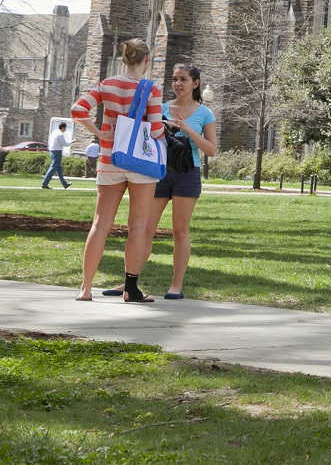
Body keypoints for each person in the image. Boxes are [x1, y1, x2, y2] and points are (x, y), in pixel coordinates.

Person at [104, 63, 216, 300]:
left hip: (188, 172)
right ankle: (129, 283)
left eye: (183, 79)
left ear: (195, 83)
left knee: (180, 231)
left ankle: (176, 285)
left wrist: (188, 130)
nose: (177, 83)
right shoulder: (161, 107)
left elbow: (212, 150)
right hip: (160, 171)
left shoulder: (204, 113)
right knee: (145, 229)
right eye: (175, 79)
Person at [71, 38, 164, 302]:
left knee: (100, 224)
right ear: (147, 60)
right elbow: (155, 129)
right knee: (138, 225)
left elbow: (77, 109)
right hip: (140, 162)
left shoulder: (107, 84)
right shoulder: (151, 89)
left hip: (110, 158)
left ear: (125, 59)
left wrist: (100, 133)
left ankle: (86, 288)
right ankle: (131, 289)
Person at [42, 122, 71, 189]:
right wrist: (72, 142)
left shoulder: (54, 132)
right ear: (63, 127)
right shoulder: (60, 134)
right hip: (57, 151)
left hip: (52, 150)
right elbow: (65, 144)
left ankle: (64, 183)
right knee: (53, 168)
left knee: (59, 169)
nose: (65, 129)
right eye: (65, 128)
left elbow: (49, 142)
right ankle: (44, 183)